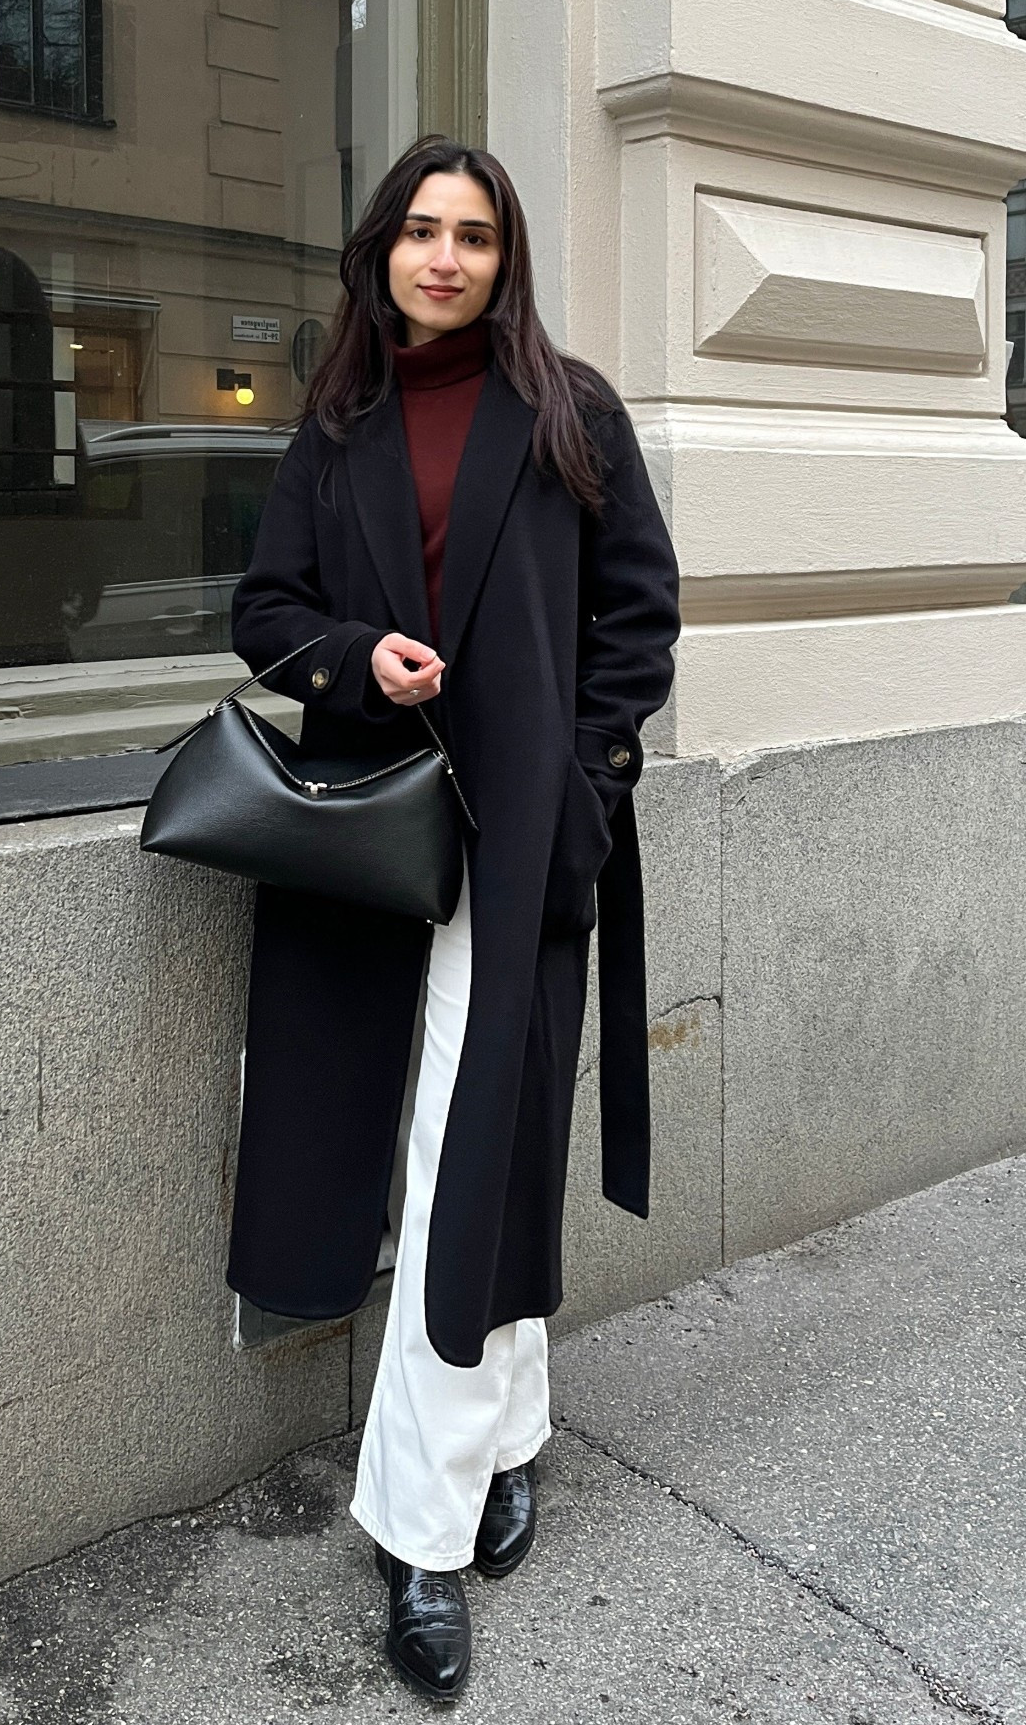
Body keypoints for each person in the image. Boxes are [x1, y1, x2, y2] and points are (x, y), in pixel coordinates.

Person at [226, 135, 680, 1702]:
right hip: (369, 848)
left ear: (507, 258)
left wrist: (588, 771)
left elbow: (641, 618)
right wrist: (358, 660)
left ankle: (419, 1535)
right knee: (441, 1161)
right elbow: (264, 611)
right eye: (420, 230)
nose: (443, 256)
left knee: (465, 1161)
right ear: (382, 252)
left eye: (472, 234)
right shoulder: (338, 423)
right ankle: (512, 1437)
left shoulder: (570, 410)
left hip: (523, 842)